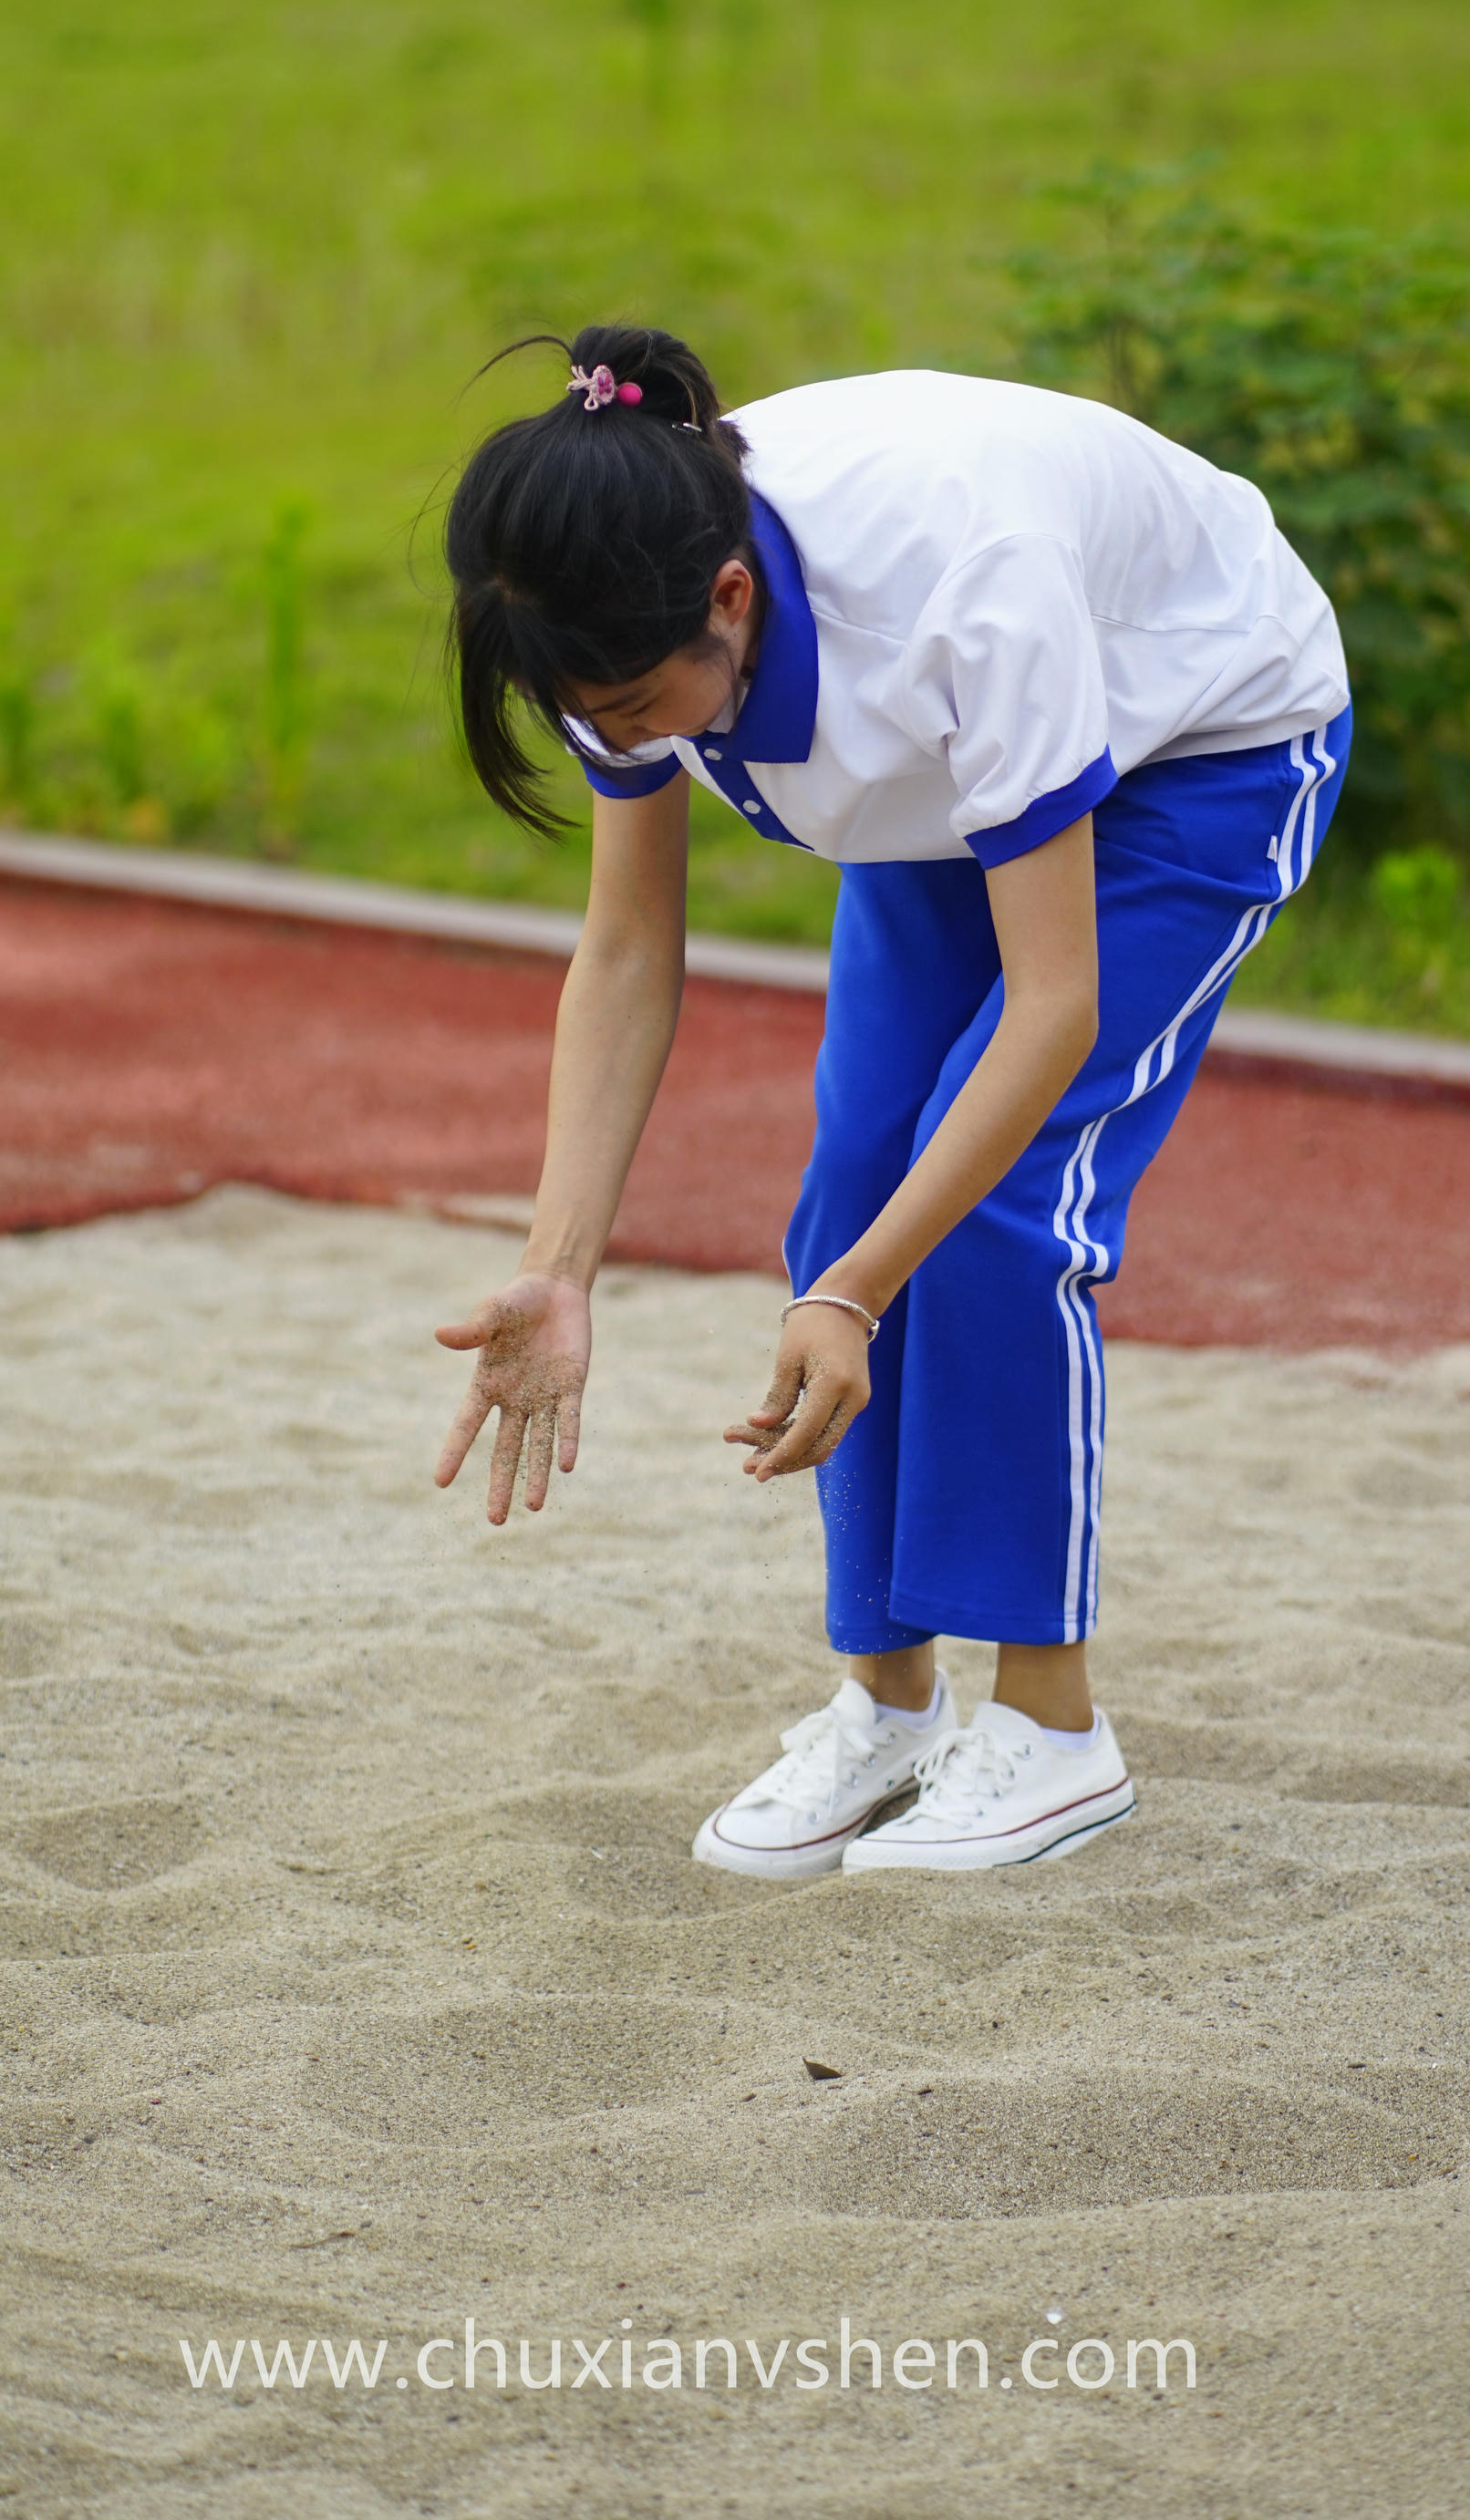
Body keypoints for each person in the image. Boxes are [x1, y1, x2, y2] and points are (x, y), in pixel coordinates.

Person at [433, 325, 1351, 1880]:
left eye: (645, 704)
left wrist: (853, 1300)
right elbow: (628, 949)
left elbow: (1052, 1012)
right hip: (951, 786)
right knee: (855, 1181)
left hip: (1198, 744)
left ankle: (1055, 1730)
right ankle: (892, 1708)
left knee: (998, 1207)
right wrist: (561, 1259)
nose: (628, 734)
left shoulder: (958, 589)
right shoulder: (607, 605)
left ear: (734, 599)